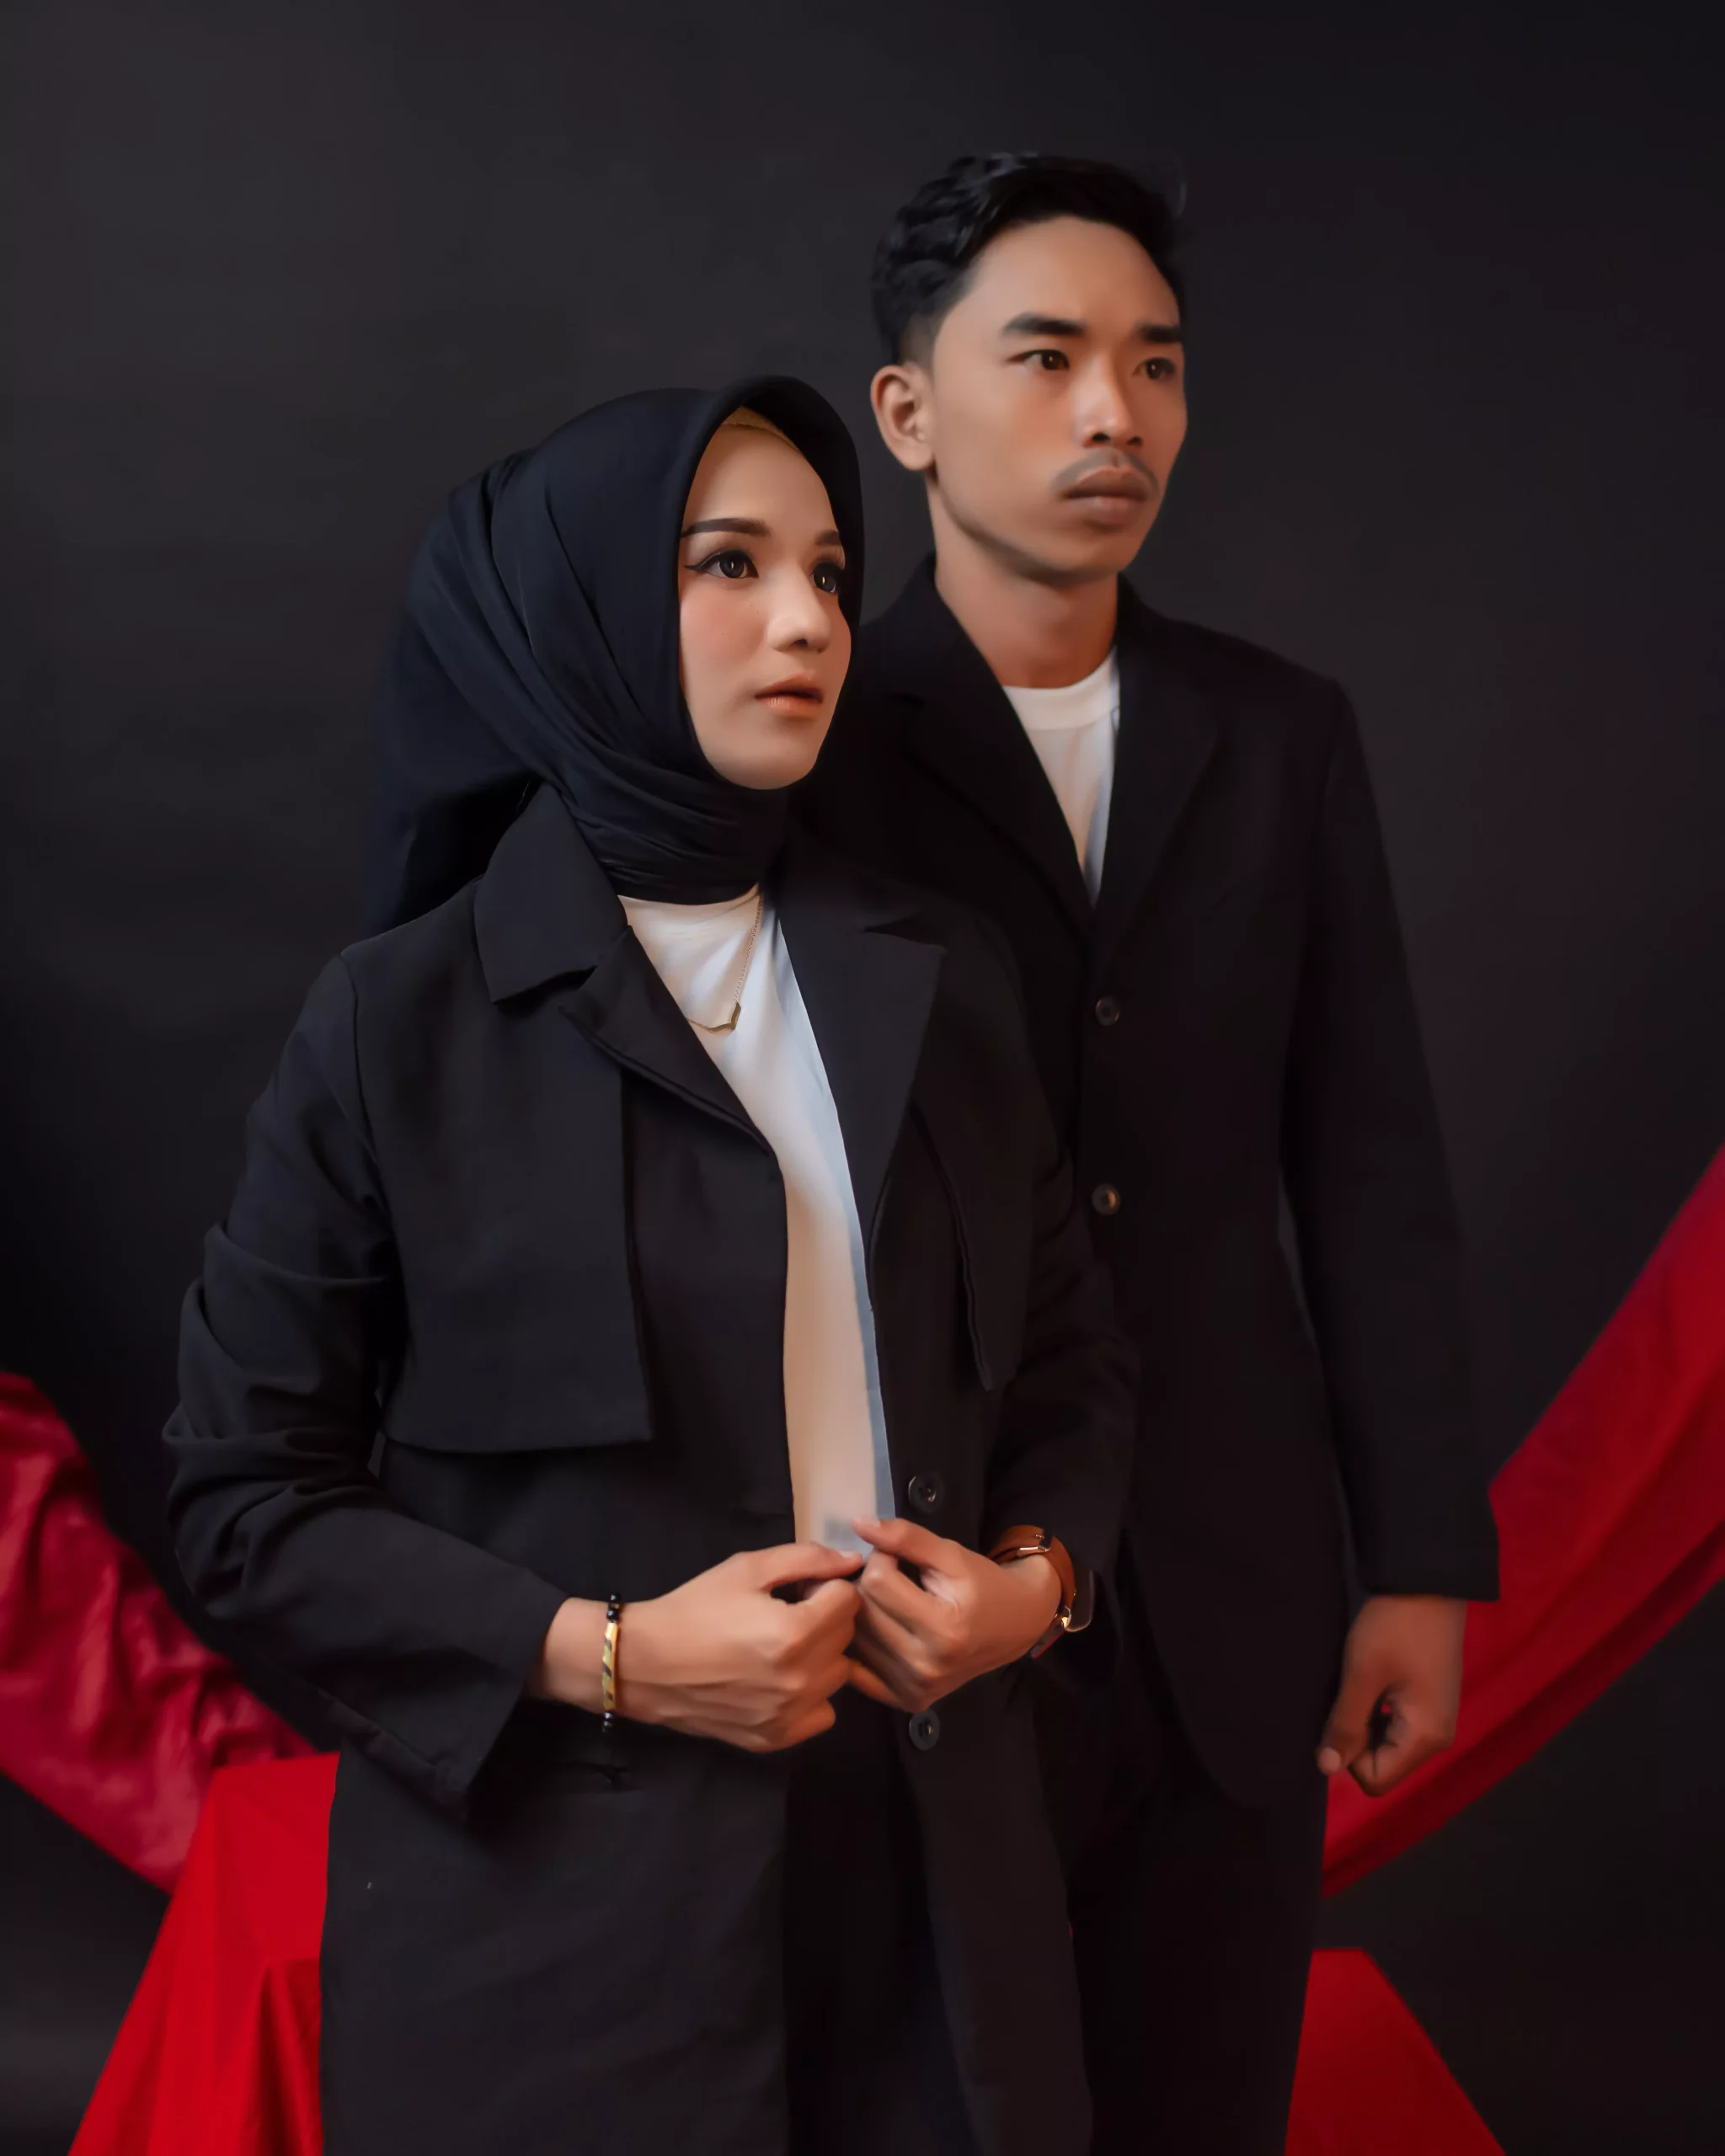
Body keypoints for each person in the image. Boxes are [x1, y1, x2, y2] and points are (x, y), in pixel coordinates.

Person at [163, 377, 1135, 2156]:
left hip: (939, 1916)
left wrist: (1036, 1583)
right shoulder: (397, 1024)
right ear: (587, 608)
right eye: (728, 563)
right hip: (557, 1940)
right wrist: (608, 1653)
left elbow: (1074, 1370)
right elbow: (245, 1505)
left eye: (830, 571)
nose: (808, 622)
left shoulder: (946, 979)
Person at [798, 157, 1502, 2154]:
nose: (1114, 412)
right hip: (913, 1578)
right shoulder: (813, 734)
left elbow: (1367, 1163)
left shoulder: (1279, 733)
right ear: (908, 410)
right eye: (1046, 358)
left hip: (1232, 1581)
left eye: (1156, 363)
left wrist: (1418, 1559)